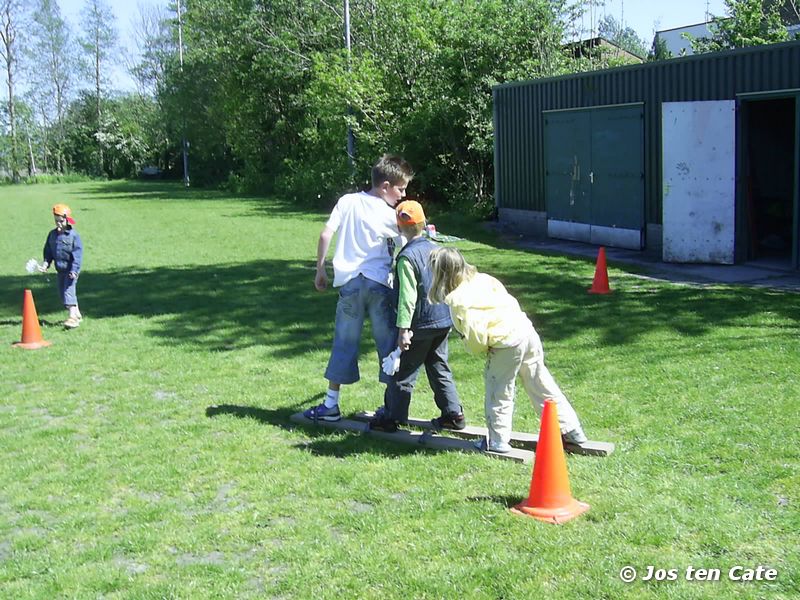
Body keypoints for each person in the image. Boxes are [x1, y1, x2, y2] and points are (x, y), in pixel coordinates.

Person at [427, 247, 588, 453]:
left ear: (440, 273)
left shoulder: (458, 299)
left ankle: (497, 441)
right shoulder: (484, 278)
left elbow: (476, 336)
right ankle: (572, 431)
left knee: (498, 390)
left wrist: (478, 348)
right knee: (541, 383)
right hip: (526, 332)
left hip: (506, 343)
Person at [304, 154, 414, 422]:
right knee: (388, 346)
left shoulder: (347, 201)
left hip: (351, 285)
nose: (403, 195)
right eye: (401, 189)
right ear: (385, 186)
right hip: (379, 286)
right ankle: (391, 408)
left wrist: (320, 269)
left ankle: (331, 405)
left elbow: (325, 234)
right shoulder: (390, 215)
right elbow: (407, 244)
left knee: (344, 342)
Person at [368, 200, 465, 433]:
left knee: (403, 373)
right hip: (442, 320)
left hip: (418, 325)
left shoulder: (406, 258)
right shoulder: (436, 249)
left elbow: (407, 298)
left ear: (399, 227)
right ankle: (454, 414)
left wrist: (403, 330)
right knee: (438, 365)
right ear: (423, 223)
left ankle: (391, 417)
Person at [41, 203, 84, 329]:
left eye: (60, 221)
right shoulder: (52, 235)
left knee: (68, 292)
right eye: (56, 221)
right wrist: (45, 264)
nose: (58, 224)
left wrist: (74, 270)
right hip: (60, 270)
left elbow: (78, 255)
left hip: (71, 270)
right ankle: (77, 313)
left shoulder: (73, 236)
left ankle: (72, 318)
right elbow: (48, 252)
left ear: (67, 220)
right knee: (62, 293)